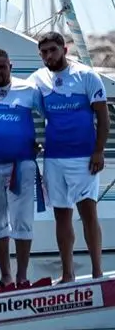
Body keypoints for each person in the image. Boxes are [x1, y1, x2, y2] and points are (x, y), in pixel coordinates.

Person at [29, 31, 108, 282]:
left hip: (83, 157)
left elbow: (103, 117)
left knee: (88, 213)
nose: (48, 56)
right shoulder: (38, 79)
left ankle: (97, 273)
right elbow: (14, 93)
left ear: (64, 48)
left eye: (52, 50)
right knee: (61, 215)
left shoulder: (86, 76)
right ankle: (68, 274)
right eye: (43, 52)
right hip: (53, 158)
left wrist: (98, 150)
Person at [0, 48, 43, 286]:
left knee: (22, 220)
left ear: (10, 66)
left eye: (2, 66)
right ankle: (5, 276)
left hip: (22, 164)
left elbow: (51, 115)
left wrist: (41, 143)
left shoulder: (28, 90)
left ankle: (22, 275)